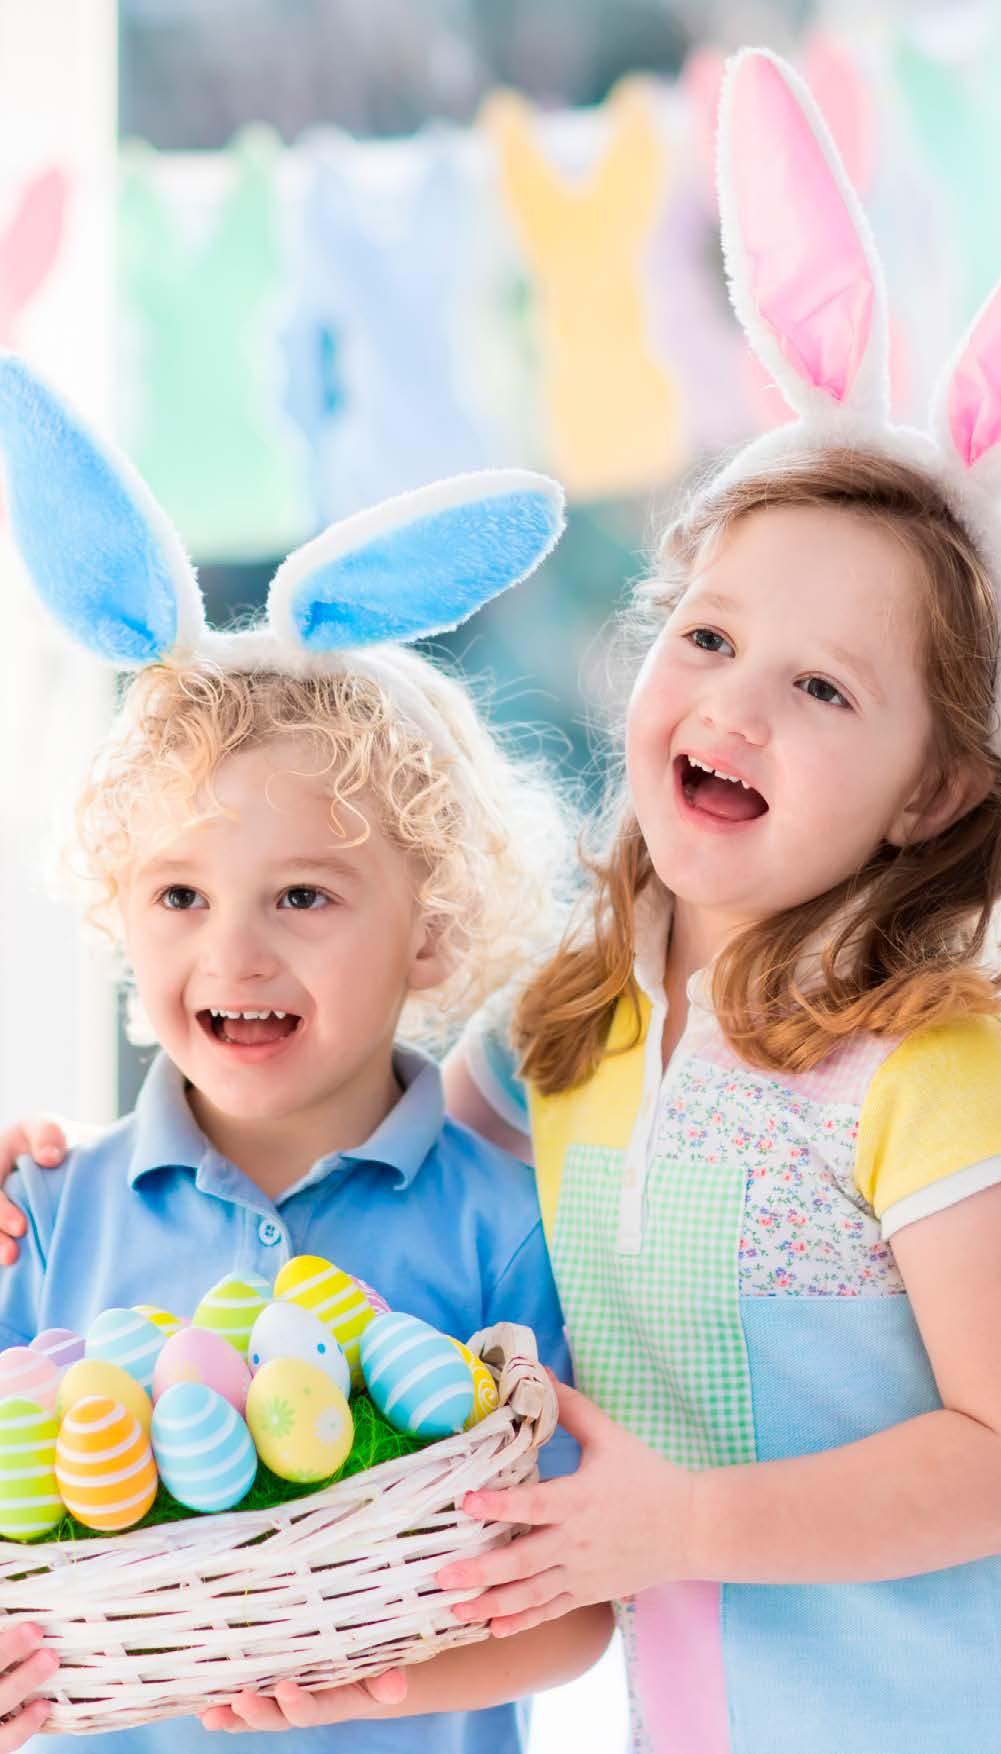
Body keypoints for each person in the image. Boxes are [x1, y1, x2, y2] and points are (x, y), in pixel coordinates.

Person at [0, 50, 1001, 1754]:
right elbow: (342, 1123)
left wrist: (676, 1525)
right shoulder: (567, 1034)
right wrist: (49, 1187)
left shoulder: (933, 1067)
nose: (735, 704)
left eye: (823, 687)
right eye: (708, 637)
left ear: (934, 791)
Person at [0, 355, 612, 1751]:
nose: (236, 955)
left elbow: (581, 1601)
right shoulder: (46, 1214)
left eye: (303, 896)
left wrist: (362, 1686)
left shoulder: (509, 1224)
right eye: (179, 896)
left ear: (430, 930)